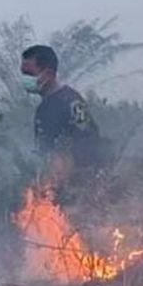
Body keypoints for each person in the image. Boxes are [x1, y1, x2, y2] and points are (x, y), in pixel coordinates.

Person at [19, 45, 109, 192]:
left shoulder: (70, 101)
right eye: (23, 74)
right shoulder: (44, 107)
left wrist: (67, 168)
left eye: (29, 74)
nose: (25, 79)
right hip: (53, 184)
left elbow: (90, 140)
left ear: (48, 74)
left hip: (78, 187)